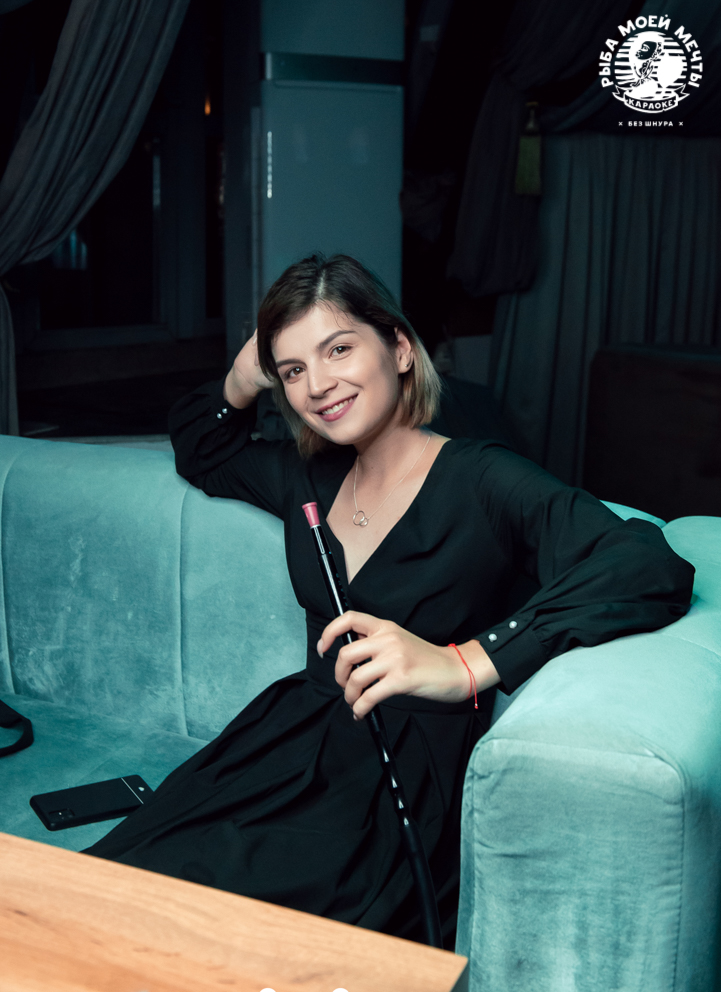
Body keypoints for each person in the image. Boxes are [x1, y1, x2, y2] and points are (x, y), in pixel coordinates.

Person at [85, 254, 694, 946]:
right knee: (106, 892)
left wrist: (469, 662)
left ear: (400, 349)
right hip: (279, 743)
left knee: (227, 940)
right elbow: (202, 446)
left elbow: (646, 562)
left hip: (398, 775)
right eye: (294, 370)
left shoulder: (482, 479)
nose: (318, 385)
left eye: (338, 349)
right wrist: (244, 374)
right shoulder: (305, 476)